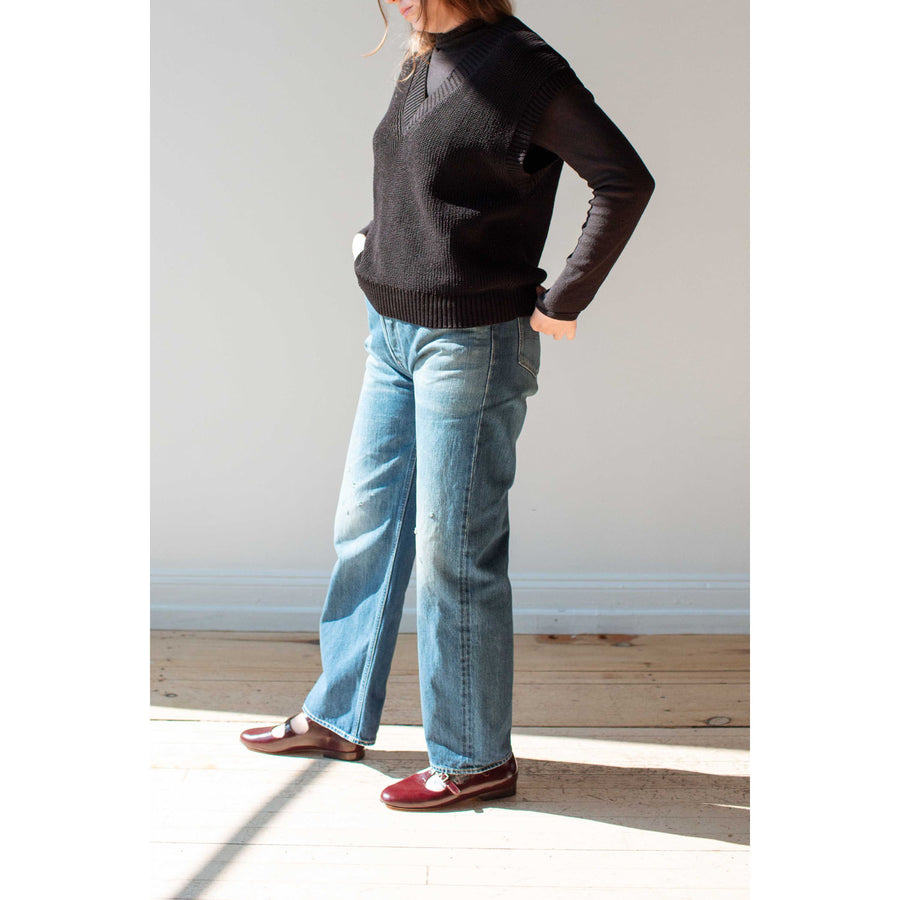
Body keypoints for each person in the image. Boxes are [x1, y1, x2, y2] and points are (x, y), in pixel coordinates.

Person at [240, 0, 655, 811]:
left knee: (453, 551)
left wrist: (564, 300)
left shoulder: (522, 66)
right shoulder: (428, 52)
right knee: (367, 526)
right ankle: (338, 715)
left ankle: (473, 759)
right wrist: (374, 246)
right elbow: (418, 182)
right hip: (391, 333)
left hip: (471, 343)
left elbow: (624, 179)